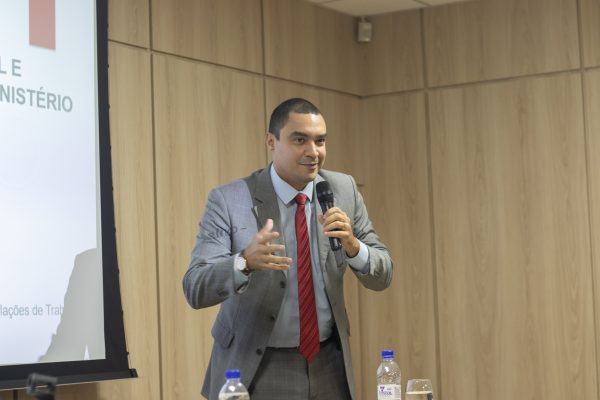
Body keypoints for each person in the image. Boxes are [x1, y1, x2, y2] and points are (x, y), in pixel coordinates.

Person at [183, 98, 393, 400]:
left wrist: (354, 247)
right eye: (299, 140)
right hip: (258, 365)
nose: (313, 152)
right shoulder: (229, 200)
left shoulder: (343, 190)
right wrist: (244, 262)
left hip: (328, 363)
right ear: (271, 141)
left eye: (320, 141)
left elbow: (383, 275)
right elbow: (195, 287)